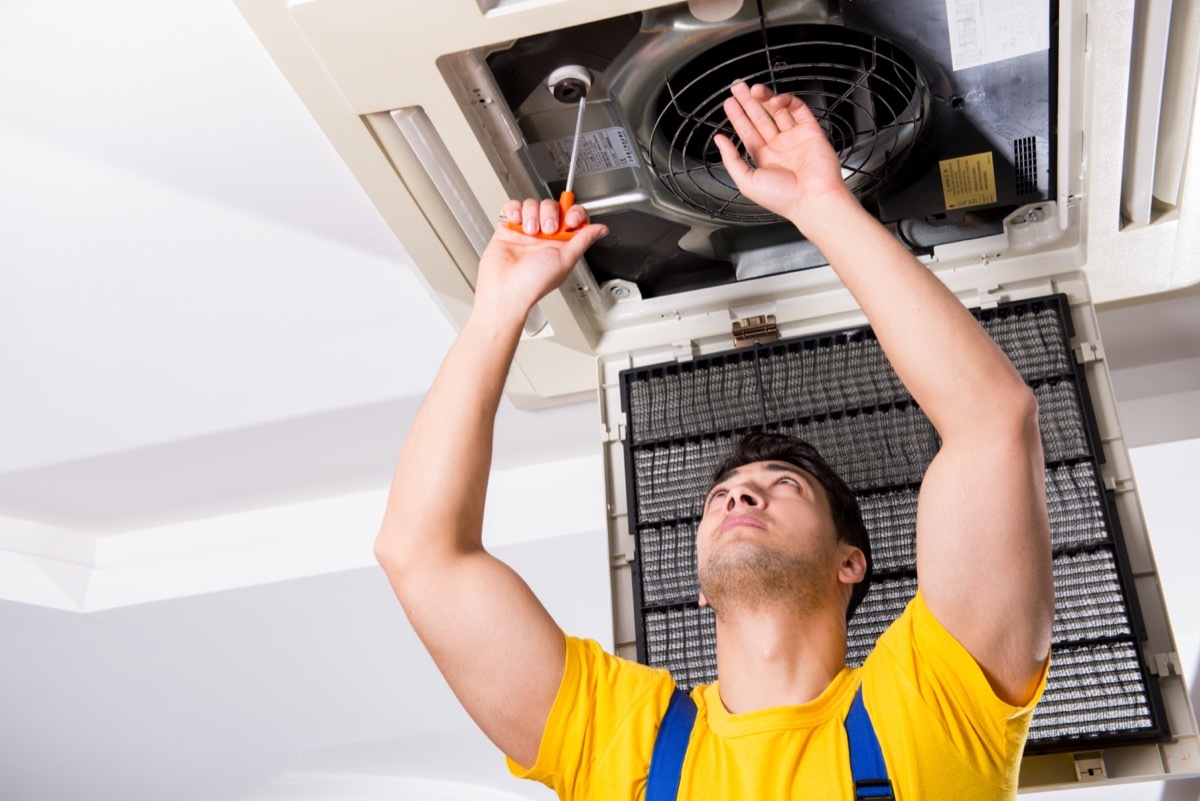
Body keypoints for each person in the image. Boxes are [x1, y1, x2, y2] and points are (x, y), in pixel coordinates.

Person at [374, 81, 1054, 799]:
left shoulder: (933, 709)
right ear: (700, 588)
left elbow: (992, 425)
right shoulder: (620, 735)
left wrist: (823, 205)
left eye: (784, 485)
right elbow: (419, 553)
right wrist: (497, 310)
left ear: (849, 563)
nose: (740, 493)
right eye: (722, 495)